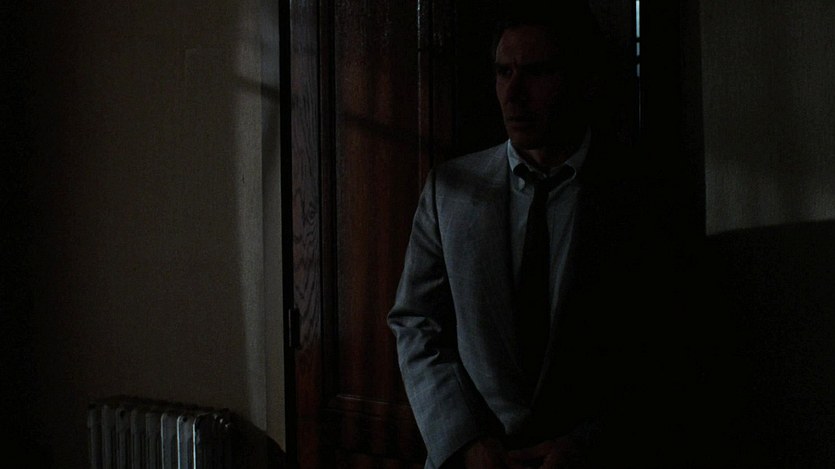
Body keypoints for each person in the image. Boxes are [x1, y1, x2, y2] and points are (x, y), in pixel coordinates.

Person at [389, 3, 689, 468]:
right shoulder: (450, 190)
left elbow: (667, 345)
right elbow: (416, 322)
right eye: (503, 72)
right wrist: (465, 442)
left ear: (582, 80)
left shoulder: (640, 196)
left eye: (536, 72)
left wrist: (588, 442)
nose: (514, 93)